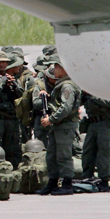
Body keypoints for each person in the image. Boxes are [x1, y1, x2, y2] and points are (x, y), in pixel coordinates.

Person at [38, 59, 82, 196]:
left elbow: (65, 108)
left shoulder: (67, 86)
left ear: (63, 69)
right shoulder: (61, 85)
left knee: (63, 155)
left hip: (65, 126)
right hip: (58, 126)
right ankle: (52, 182)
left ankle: (67, 184)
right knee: (52, 155)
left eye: (56, 67)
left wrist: (50, 119)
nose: (53, 70)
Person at [80, 92, 110, 192]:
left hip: (105, 122)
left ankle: (104, 181)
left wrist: (91, 95)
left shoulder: (104, 88)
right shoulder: (88, 88)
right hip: (92, 123)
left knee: (103, 153)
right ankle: (87, 178)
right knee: (87, 151)